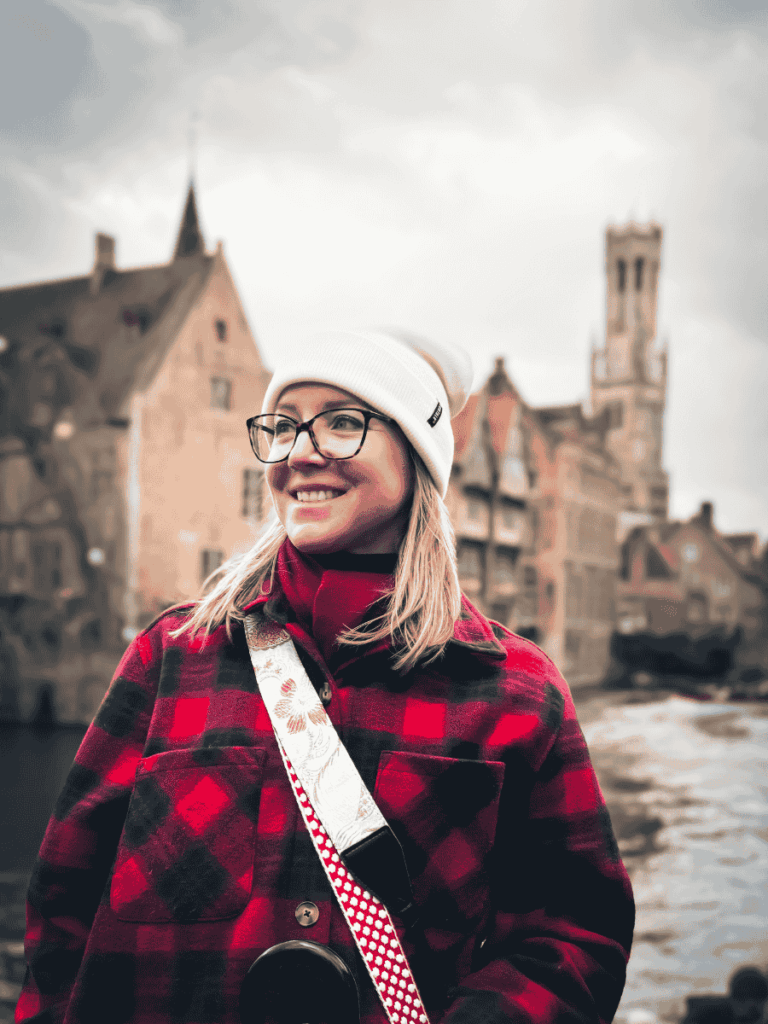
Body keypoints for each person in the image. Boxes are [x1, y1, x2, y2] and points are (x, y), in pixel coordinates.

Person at [17, 329, 635, 1024]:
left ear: (417, 457)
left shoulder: (516, 693)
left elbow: (575, 935)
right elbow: (63, 905)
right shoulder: (171, 657)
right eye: (283, 426)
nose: (300, 450)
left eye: (343, 422)